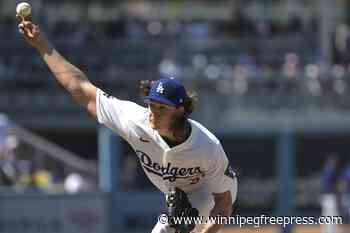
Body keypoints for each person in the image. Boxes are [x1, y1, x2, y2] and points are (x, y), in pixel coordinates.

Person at [17, 16, 238, 233]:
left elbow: (224, 204)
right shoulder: (135, 120)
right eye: (151, 105)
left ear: (180, 110)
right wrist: (41, 44)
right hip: (176, 196)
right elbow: (80, 87)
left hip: (208, 194)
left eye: (162, 109)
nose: (153, 113)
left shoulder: (207, 145)